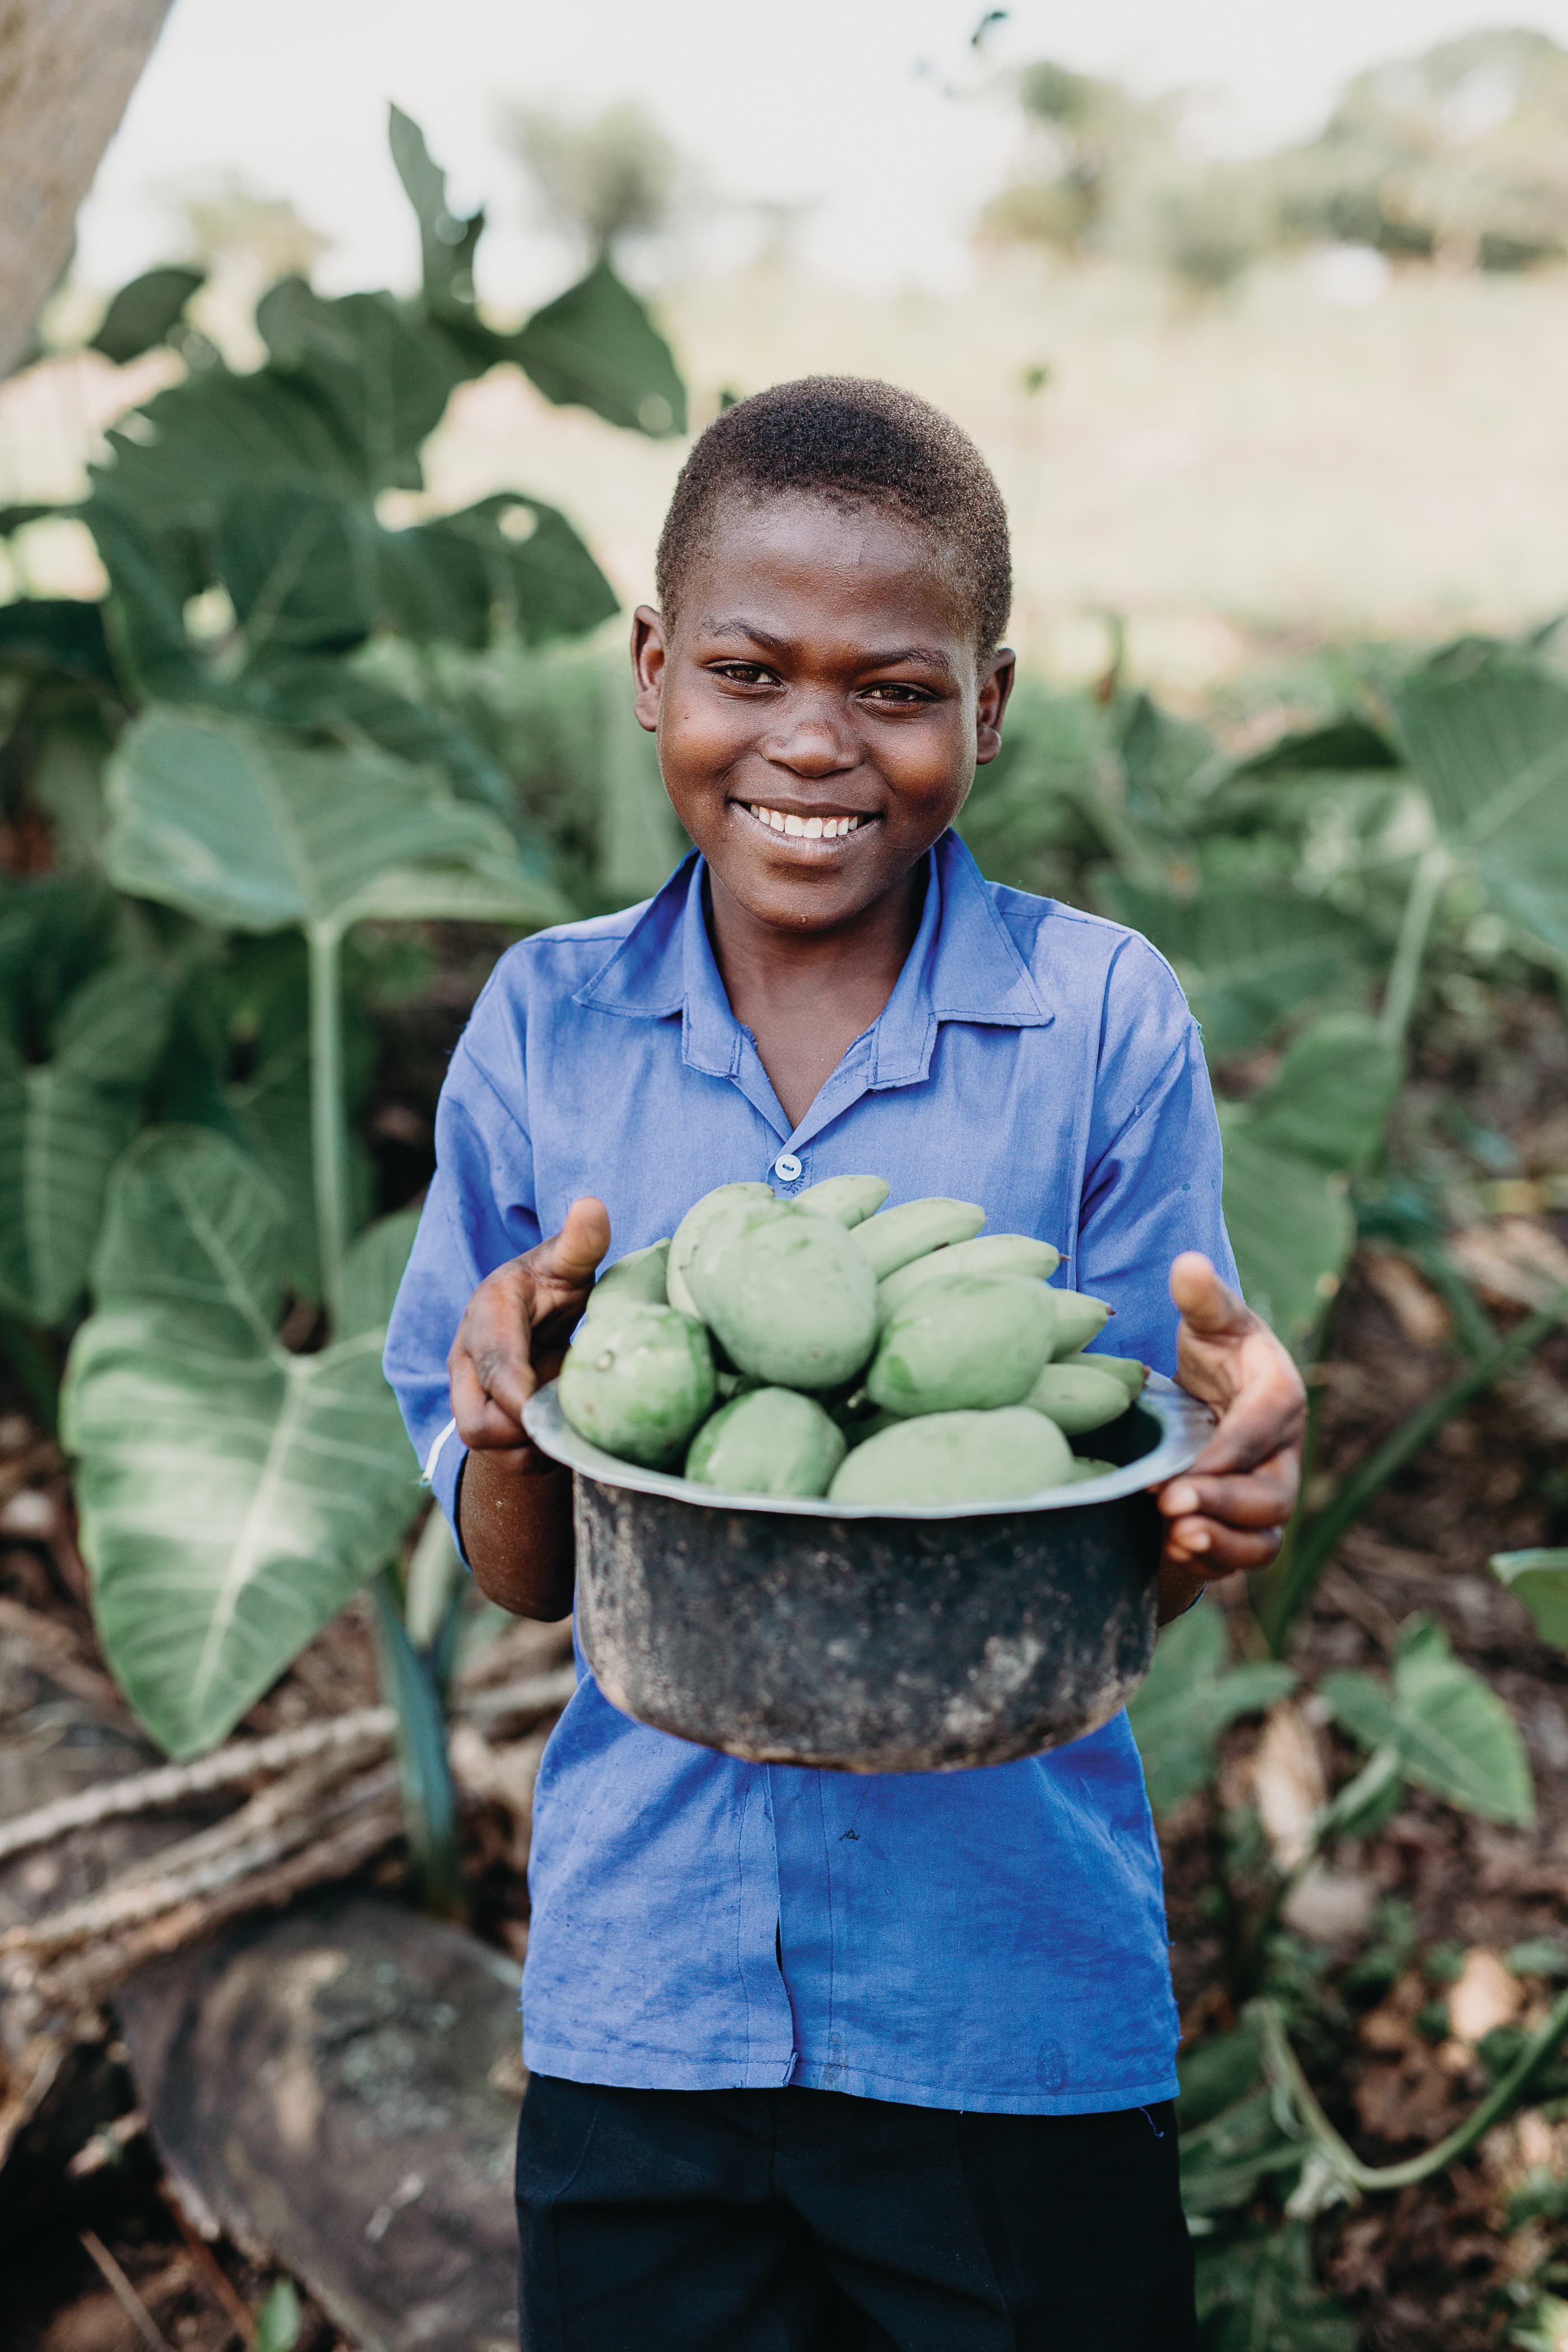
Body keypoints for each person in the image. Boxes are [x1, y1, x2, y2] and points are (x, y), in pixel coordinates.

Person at [384, 376, 1305, 2351]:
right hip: (650, 2003)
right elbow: (532, 1574)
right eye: (746, 669)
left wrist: (1227, 1492)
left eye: (893, 688)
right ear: (652, 670)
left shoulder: (1093, 1023)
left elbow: (1121, 1521)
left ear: (989, 706)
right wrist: (510, 1418)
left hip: (1008, 2012)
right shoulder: (548, 1033)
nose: (813, 741)